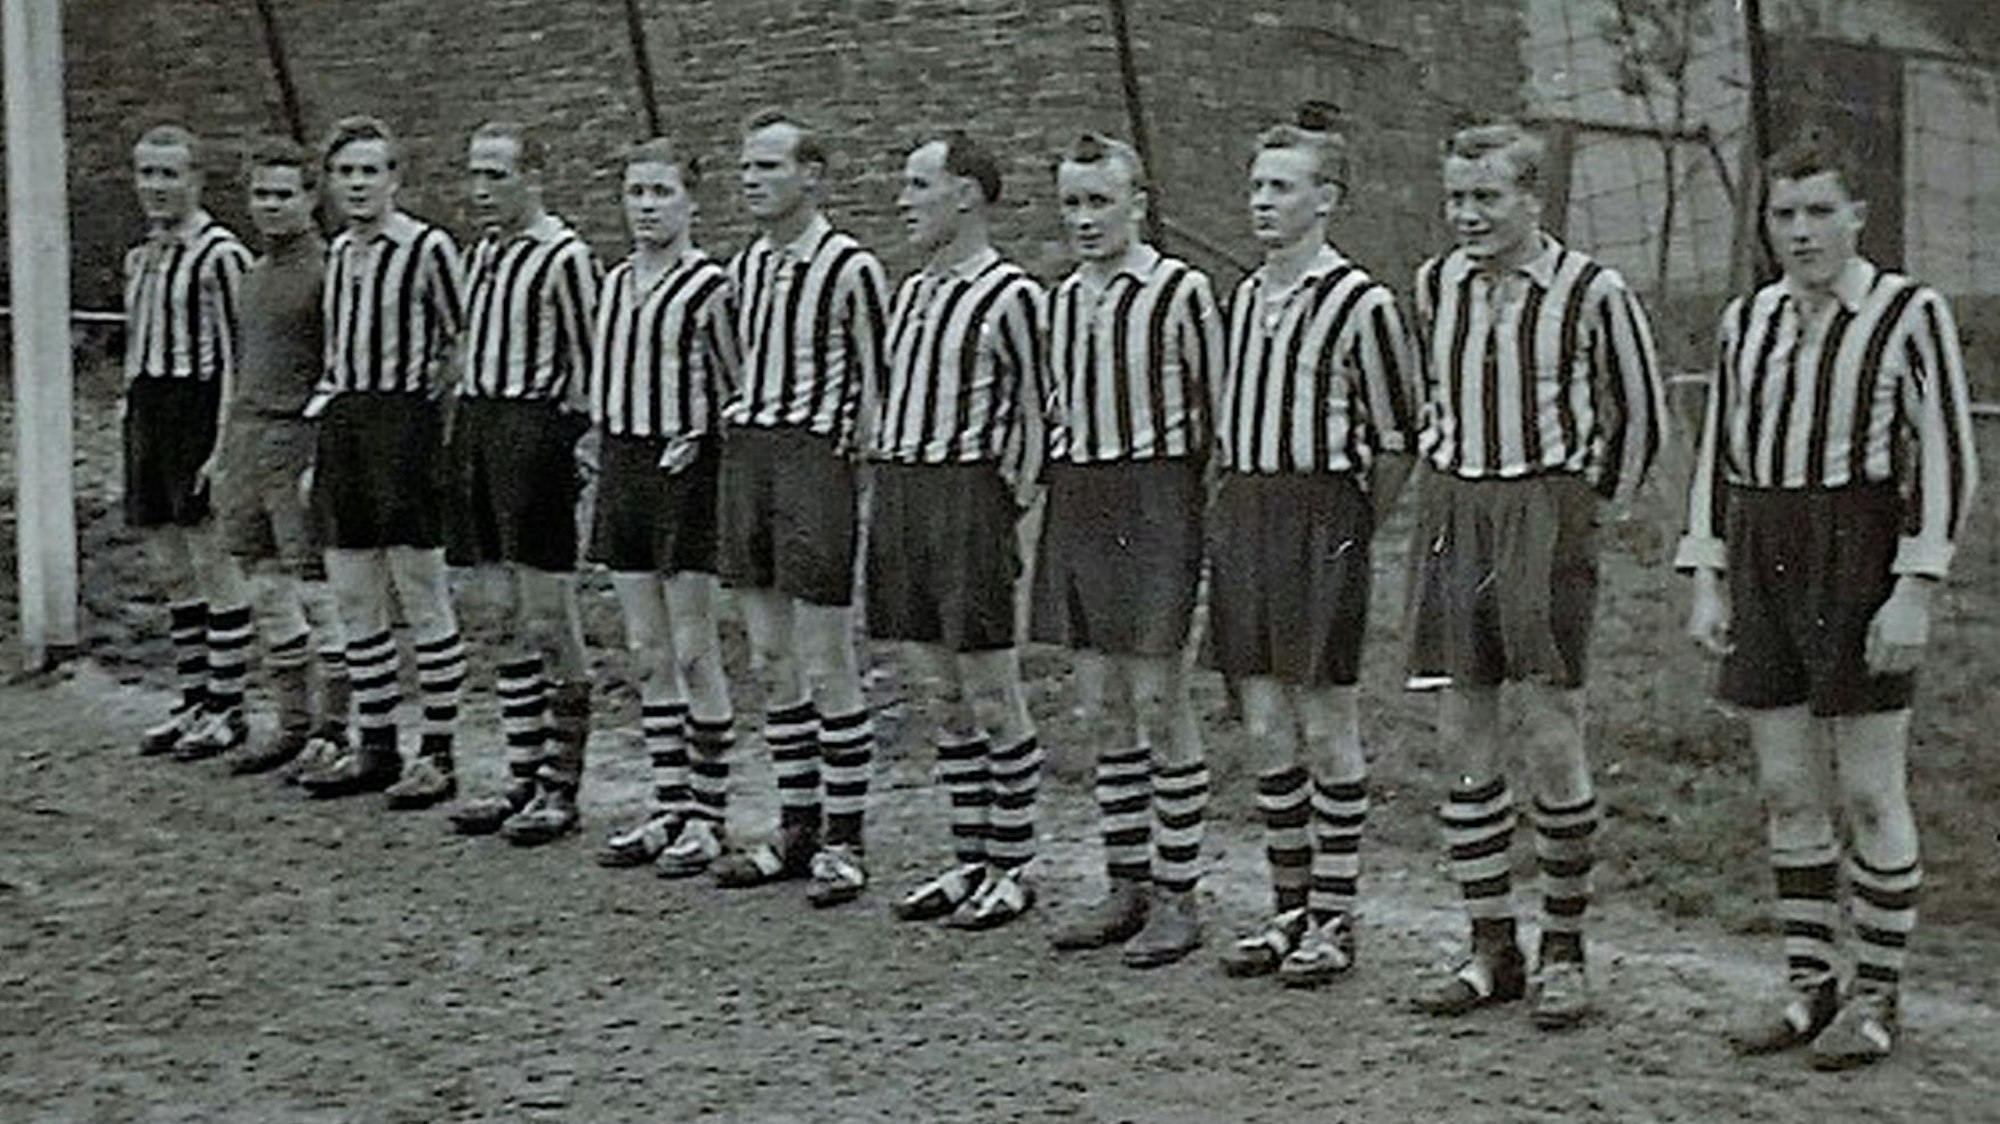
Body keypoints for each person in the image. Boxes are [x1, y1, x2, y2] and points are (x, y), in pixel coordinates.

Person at [1679, 129, 1979, 1070]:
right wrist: (1707, 572)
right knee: (1785, 786)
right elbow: (1719, 458)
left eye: (1819, 212)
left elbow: (1948, 459)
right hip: (1767, 549)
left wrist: (1914, 588)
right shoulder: (1749, 320)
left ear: (1858, 216)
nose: (1801, 232)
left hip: (1859, 555)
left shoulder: (1906, 313)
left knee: (1867, 787)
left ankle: (1879, 997)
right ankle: (1810, 985)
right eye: (1783, 215)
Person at [1404, 122, 1666, 1028]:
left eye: (1488, 198)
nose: (1468, 215)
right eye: (1457, 198)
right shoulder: (1434, 284)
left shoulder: (1593, 290)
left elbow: (1642, 416)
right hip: (1454, 511)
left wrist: (1589, 509)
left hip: (1546, 513)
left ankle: (1564, 950)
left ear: (1532, 200)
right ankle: (1489, 948)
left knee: (1553, 730)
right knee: (1460, 732)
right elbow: (1427, 399)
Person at [1209, 113, 1418, 986]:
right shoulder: (1241, 298)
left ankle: (1335, 917)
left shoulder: (1362, 303)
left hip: (1323, 512)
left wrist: (1354, 523)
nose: (1262, 202)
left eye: (1281, 187)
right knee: (1263, 721)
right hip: (1246, 509)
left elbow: (1400, 437)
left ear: (1326, 200)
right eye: (1256, 186)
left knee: (1326, 718)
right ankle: (1285, 909)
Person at [1036, 133, 1222, 969]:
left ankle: (1180, 894)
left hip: (1155, 499)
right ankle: (1126, 884)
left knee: (1158, 701)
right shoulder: (1059, 300)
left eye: (1099, 202)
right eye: (1071, 203)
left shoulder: (1181, 292)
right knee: (1101, 703)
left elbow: (1218, 416)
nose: (1083, 220)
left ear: (1138, 204)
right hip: (1080, 495)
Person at [706, 110, 889, 908]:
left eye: (769, 166)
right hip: (753, 456)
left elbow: (877, 389)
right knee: (770, 659)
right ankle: (797, 827)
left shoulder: (850, 267)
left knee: (826, 658)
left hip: (819, 462)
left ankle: (847, 843)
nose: (752, 179)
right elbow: (732, 362)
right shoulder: (743, 269)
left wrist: (863, 490)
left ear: (811, 176)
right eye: (746, 166)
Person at [872, 133, 1048, 931]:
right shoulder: (909, 293)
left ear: (968, 194)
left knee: (989, 688)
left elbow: (1043, 415)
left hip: (969, 497)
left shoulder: (1012, 295)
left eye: (919, 184)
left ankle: (1015, 866)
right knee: (939, 692)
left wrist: (1010, 507)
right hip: (904, 492)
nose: (904, 200)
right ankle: (968, 856)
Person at [296, 116, 470, 807]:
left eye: (371, 171)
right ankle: (375, 744)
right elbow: (335, 358)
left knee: (422, 592)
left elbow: (461, 345)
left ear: (395, 179)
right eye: (346, 173)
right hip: (346, 427)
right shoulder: (338, 253)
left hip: (407, 429)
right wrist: (321, 443)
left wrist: (440, 436)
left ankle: (440, 751)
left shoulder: (427, 248)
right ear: (331, 185)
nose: (359, 185)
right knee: (354, 592)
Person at [438, 121, 601, 845]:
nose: (480, 191)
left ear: (534, 178)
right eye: (474, 175)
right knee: (498, 615)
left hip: (536, 435)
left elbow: (592, 361)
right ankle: (520, 774)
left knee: (547, 617)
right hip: (478, 429)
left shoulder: (564, 257)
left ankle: (562, 787)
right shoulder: (480, 257)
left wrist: (572, 446)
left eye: (496, 176)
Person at [587, 138, 742, 878]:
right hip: (625, 468)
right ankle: (668, 803)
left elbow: (737, 392)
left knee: (692, 648)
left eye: (661, 193)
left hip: (686, 475)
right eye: (636, 192)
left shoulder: (711, 285)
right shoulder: (614, 282)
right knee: (647, 654)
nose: (646, 207)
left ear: (692, 202)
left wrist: (702, 438)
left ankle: (710, 817)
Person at [202, 136, 352, 779]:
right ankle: (290, 722)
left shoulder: (328, 271)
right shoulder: (252, 276)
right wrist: (220, 452)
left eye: (283, 194)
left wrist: (322, 451)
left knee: (316, 589)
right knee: (264, 585)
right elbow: (238, 370)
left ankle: (336, 729)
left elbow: (340, 370)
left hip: (297, 439)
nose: (270, 206)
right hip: (248, 439)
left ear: (311, 198)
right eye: (260, 194)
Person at [121, 124, 256, 762]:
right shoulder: (140, 257)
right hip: (149, 411)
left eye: (169, 174)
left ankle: (229, 708)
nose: (156, 187)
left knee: (213, 561)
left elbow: (239, 355)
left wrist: (223, 445)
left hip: (199, 408)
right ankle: (193, 698)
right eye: (147, 174)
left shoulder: (222, 254)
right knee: (171, 566)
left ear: (197, 179)